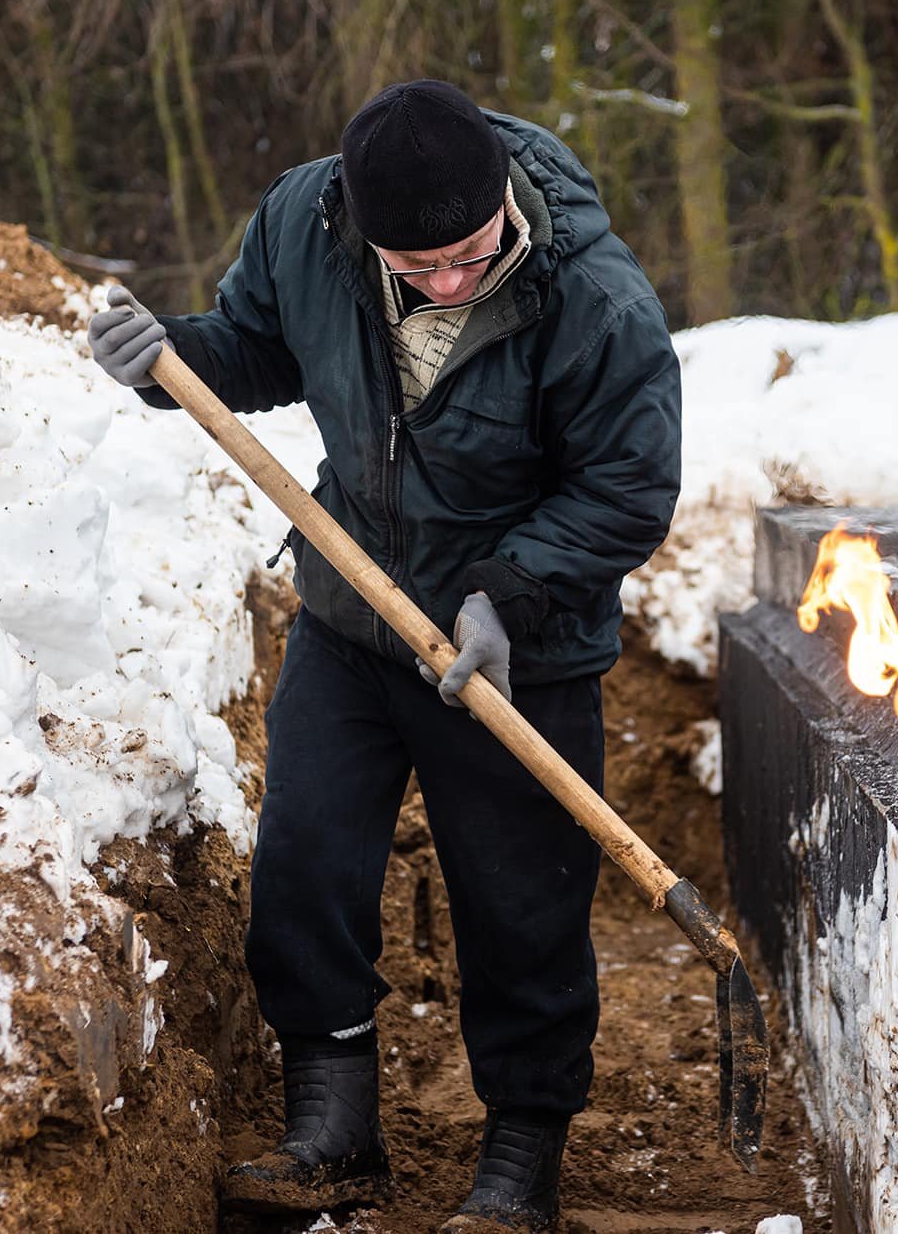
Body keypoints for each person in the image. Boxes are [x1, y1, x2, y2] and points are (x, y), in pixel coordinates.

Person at [86, 80, 682, 1231]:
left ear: (504, 203)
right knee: (302, 867)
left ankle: (520, 1161)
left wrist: (507, 595)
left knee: (522, 908)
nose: (450, 283)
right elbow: (257, 349)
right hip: (351, 620)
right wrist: (166, 356)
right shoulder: (302, 225)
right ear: (360, 233)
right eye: (418, 268)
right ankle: (333, 1127)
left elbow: (627, 487)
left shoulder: (595, 299)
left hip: (519, 649)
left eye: (470, 254)